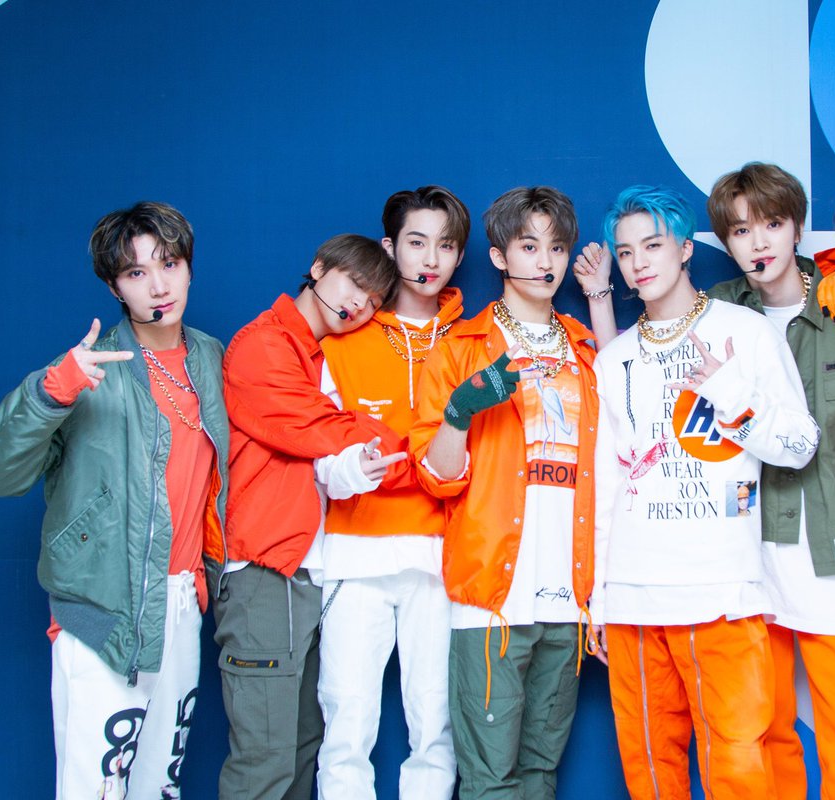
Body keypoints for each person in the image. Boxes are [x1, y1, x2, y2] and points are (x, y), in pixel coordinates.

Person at [0, 202, 227, 800]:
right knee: (96, 787)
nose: (158, 286)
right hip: (103, 608)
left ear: (189, 267)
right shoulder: (87, 369)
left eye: (169, 264)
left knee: (160, 783)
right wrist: (51, 392)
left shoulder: (212, 358)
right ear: (114, 286)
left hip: (181, 601)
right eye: (136, 273)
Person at [589, 185, 819, 799]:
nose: (638, 262)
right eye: (625, 251)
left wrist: (730, 394)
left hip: (723, 590)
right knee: (649, 768)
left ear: (686, 249)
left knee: (739, 763)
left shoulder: (745, 331)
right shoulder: (614, 361)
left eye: (653, 245)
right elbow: (606, 486)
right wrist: (599, 598)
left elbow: (800, 444)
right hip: (634, 596)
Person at [703, 163, 835, 799]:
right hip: (749, 552)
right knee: (764, 730)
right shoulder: (717, 312)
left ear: (798, 227)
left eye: (773, 224)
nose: (758, 243)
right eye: (740, 231)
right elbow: (639, 353)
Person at [409, 186, 599, 800]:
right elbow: (437, 478)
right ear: (499, 257)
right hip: (493, 593)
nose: (546, 262)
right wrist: (459, 412)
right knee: (490, 780)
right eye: (529, 246)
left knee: (541, 772)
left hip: (569, 595)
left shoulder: (586, 351)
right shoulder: (460, 349)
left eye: (557, 248)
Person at [216, 234, 409, 800]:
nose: (358, 304)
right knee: (265, 759)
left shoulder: (321, 357)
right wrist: (399, 443)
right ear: (319, 268)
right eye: (353, 284)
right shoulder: (263, 345)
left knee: (302, 749)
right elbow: (318, 427)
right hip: (264, 570)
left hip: (307, 572)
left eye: (373, 300)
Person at [312, 186, 470, 800]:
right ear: (389, 247)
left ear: (460, 256)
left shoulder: (473, 341)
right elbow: (318, 455)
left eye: (446, 246)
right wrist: (353, 470)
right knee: (346, 723)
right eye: (416, 242)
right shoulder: (341, 341)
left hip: (440, 558)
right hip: (355, 553)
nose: (430, 259)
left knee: (436, 724)